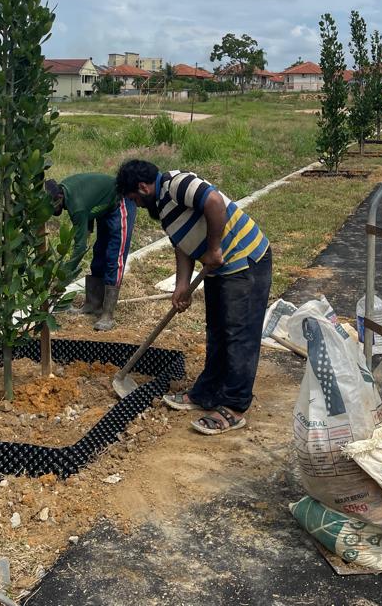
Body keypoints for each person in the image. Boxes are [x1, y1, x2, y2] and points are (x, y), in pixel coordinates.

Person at [115, 159, 272, 435]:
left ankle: (234, 406)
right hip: (219, 269)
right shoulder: (163, 207)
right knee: (217, 332)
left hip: (244, 260)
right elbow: (183, 245)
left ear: (142, 187)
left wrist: (214, 249)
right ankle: (207, 393)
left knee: (239, 334)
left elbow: (214, 202)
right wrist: (182, 285)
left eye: (134, 199)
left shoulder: (177, 184)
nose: (136, 205)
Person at [45, 174, 136, 332]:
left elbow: (80, 248)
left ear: (59, 198)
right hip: (103, 208)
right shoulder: (65, 191)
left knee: (114, 257)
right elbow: (90, 200)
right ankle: (93, 305)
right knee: (99, 253)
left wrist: (61, 279)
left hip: (120, 202)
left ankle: (107, 314)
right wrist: (88, 229)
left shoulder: (76, 206)